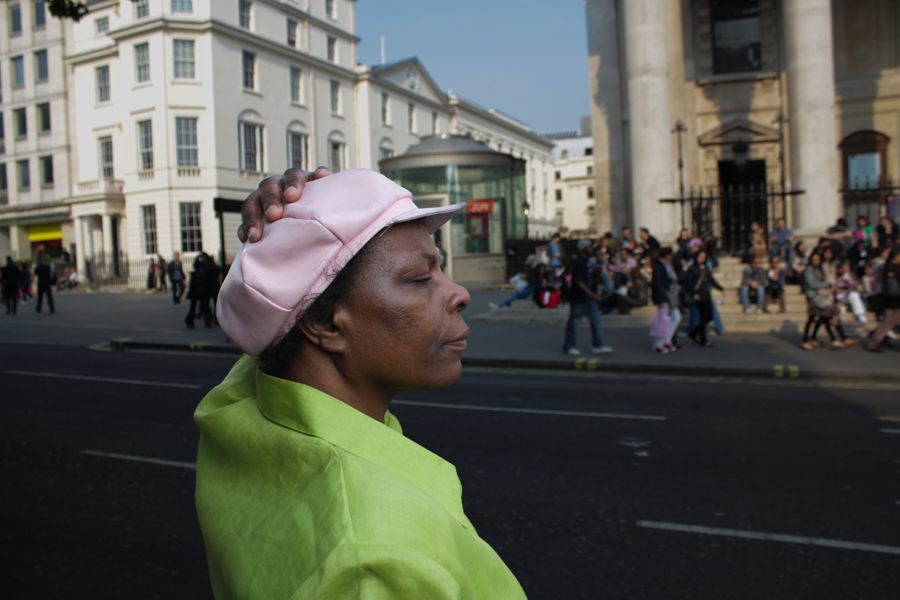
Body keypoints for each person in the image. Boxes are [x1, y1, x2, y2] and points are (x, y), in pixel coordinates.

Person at [195, 168, 527, 599]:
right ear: (323, 323)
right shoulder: (370, 565)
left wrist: (295, 222)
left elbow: (271, 333)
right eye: (419, 279)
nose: (459, 293)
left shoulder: (241, 409)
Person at [562, 239, 612, 356]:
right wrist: (593, 294)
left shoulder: (587, 262)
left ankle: (598, 345)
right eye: (589, 247)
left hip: (589, 299)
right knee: (573, 323)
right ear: (583, 249)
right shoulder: (579, 263)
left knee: (596, 321)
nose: (591, 249)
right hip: (579, 299)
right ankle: (569, 346)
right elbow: (579, 281)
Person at [684, 249, 725, 348]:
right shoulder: (692, 269)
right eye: (700, 256)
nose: (701, 259)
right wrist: (694, 293)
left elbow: (711, 280)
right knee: (703, 317)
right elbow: (688, 283)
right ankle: (703, 339)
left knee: (709, 316)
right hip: (698, 295)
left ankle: (693, 333)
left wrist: (721, 289)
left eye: (703, 257)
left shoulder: (705, 268)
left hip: (706, 294)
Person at [867, 248, 900, 352]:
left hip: (891, 299)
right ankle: (873, 343)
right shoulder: (893, 268)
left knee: (887, 323)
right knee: (886, 324)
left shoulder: (887, 266)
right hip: (894, 300)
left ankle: (875, 340)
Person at [650, 247, 681, 354]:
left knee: (676, 317)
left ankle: (666, 339)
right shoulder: (659, 266)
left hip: (669, 294)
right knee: (663, 320)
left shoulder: (667, 265)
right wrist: (660, 299)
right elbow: (657, 283)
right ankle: (658, 343)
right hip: (664, 295)